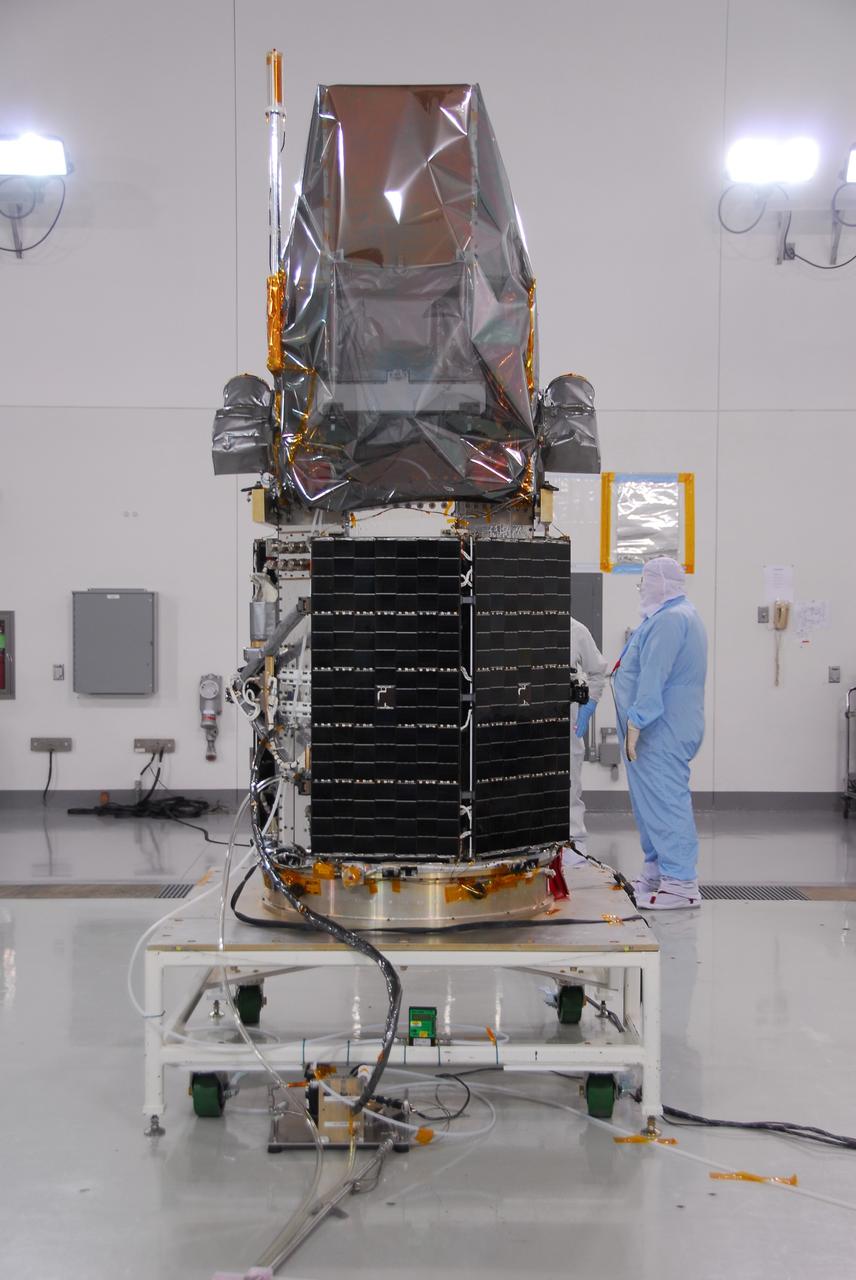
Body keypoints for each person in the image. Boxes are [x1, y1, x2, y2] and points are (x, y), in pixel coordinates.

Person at [612, 557, 708, 910]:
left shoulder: (670, 620)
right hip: (659, 729)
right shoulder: (676, 616)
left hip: (660, 728)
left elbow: (654, 676)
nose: (642, 589)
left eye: (644, 582)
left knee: (666, 802)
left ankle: (681, 883)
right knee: (650, 804)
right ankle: (656, 872)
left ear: (660, 583)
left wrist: (637, 720)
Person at [569, 617, 608, 856]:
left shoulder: (576, 630)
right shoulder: (518, 624)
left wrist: (589, 703)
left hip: (566, 714)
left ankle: (574, 840)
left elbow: (597, 672)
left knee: (570, 776)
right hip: (526, 714)